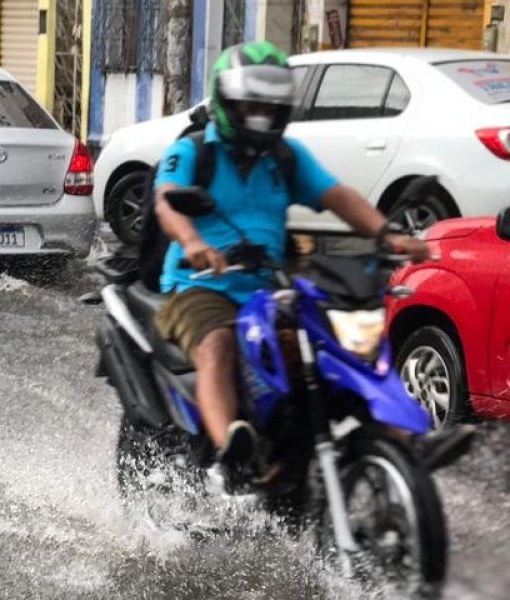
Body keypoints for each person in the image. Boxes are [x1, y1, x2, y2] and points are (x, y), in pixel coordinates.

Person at [151, 41, 435, 470]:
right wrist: (193, 243)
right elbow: (167, 200)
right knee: (218, 343)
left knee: (336, 345)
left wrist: (388, 233)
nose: (259, 111)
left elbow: (338, 196)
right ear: (228, 99)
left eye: (269, 103)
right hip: (198, 286)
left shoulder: (285, 158)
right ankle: (232, 447)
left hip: (267, 286)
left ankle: (400, 445)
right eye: (250, 102)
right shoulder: (193, 150)